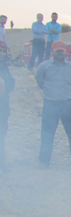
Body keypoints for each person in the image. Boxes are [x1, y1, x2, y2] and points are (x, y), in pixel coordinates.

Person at [35, 41, 71, 168]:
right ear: (52, 51)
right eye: (57, 50)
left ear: (65, 51)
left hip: (67, 104)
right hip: (50, 104)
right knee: (47, 134)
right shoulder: (44, 66)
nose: (60, 53)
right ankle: (44, 161)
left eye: (62, 50)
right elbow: (40, 82)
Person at [0, 41, 14, 170]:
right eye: (0, 50)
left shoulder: (4, 67)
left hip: (3, 108)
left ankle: (2, 164)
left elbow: (11, 84)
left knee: (1, 135)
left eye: (4, 51)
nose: (2, 53)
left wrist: (5, 86)